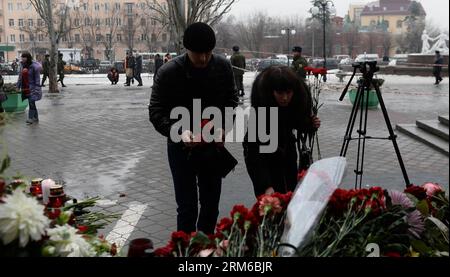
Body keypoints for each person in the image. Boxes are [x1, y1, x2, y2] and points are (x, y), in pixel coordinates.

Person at [149, 22, 238, 234]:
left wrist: (224, 127)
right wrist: (179, 133)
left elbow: (231, 101)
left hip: (211, 147)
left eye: (208, 53)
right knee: (187, 207)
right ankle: (186, 249)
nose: (204, 59)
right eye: (199, 54)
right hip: (181, 149)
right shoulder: (169, 72)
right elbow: (156, 112)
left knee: (210, 205)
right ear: (187, 49)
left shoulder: (222, 67)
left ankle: (205, 247)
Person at [243, 66, 321, 197]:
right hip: (266, 158)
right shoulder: (260, 113)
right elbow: (253, 153)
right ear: (271, 92)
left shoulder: (297, 99)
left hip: (287, 152)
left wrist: (309, 124)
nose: (285, 98)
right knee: (272, 205)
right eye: (280, 93)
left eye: (288, 93)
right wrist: (266, 185)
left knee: (290, 195)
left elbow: (296, 121)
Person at [16, 51, 42, 124]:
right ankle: (36, 117)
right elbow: (20, 77)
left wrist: (37, 87)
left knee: (31, 102)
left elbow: (37, 78)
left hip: (32, 87)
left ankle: (30, 118)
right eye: (22, 57)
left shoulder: (34, 66)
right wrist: (18, 86)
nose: (23, 58)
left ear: (28, 58)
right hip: (25, 87)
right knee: (32, 103)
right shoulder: (22, 65)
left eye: (24, 57)